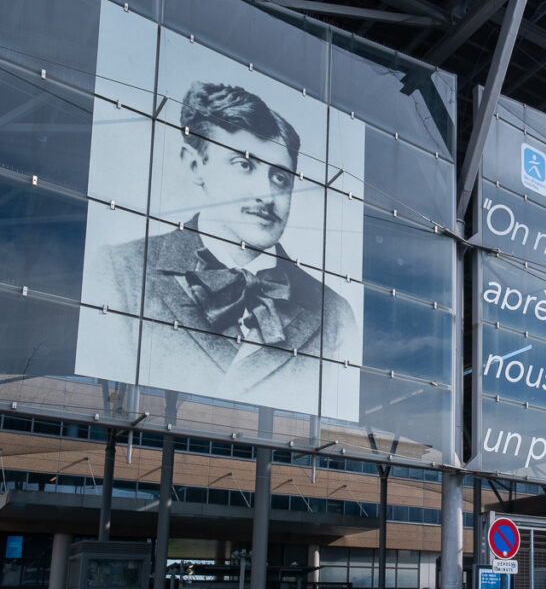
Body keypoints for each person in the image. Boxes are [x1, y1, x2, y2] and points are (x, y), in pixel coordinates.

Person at [96, 82, 354, 407]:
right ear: (195, 165)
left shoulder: (334, 314)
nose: (267, 193)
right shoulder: (120, 273)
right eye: (244, 164)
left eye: (280, 177)